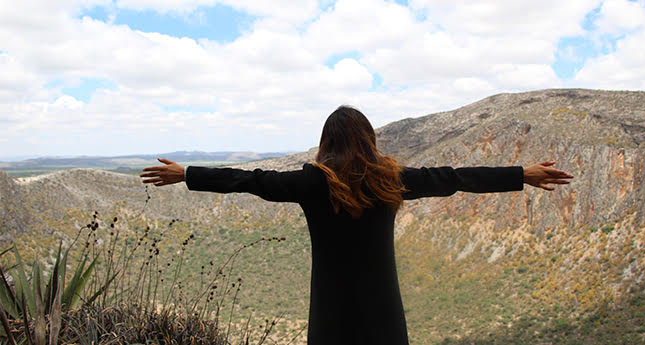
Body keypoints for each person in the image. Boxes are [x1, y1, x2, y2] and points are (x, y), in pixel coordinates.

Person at [140, 106, 573, 345]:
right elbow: (456, 177)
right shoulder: (393, 180)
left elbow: (250, 181)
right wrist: (522, 174)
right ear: (369, 139)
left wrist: (187, 174)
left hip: (330, 312)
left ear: (327, 142)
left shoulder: (311, 183)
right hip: (383, 311)